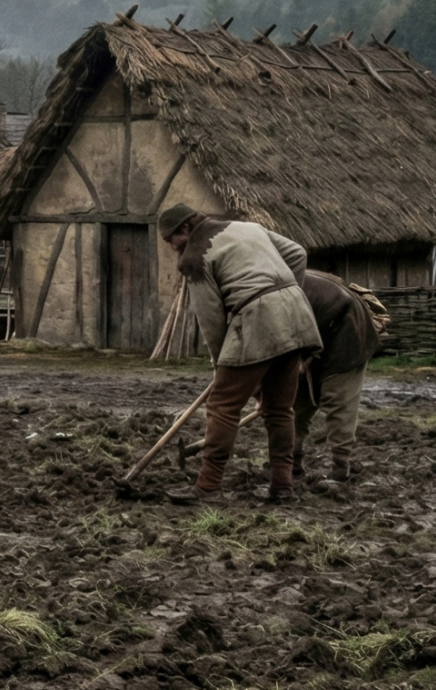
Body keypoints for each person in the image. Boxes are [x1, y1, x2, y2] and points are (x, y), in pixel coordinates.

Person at [161, 203, 322, 504]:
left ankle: (208, 487)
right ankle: (282, 486)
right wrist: (285, 294)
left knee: (222, 406)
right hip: (297, 315)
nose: (171, 247)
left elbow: (210, 319)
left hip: (255, 317)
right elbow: (298, 254)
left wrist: (220, 363)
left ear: (185, 229)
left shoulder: (195, 256)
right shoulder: (246, 227)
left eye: (171, 239)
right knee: (279, 409)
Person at [295, 269, 380, 485]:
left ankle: (340, 466)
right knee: (293, 402)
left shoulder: (273, 292)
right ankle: (291, 462)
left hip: (347, 325)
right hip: (314, 328)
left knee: (337, 397)